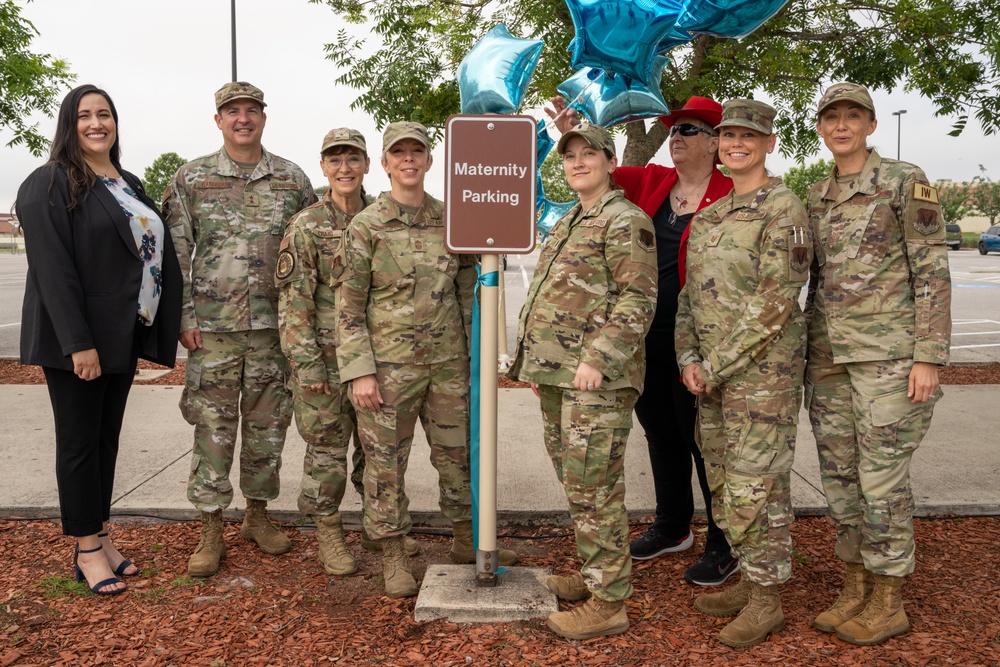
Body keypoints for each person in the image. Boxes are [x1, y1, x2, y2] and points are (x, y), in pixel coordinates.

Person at [547, 95, 737, 583]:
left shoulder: (733, 193)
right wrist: (572, 129)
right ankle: (673, 525)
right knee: (661, 432)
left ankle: (725, 540)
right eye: (674, 130)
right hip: (648, 336)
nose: (676, 137)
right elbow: (593, 170)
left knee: (705, 440)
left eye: (689, 130)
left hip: (703, 339)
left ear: (716, 142)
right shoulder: (653, 181)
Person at [335, 121, 517, 598]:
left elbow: (466, 289)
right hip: (388, 370)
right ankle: (393, 552)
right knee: (385, 465)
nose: (409, 159)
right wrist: (359, 372)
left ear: (430, 160)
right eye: (400, 153)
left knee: (459, 457)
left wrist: (478, 356)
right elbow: (349, 306)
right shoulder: (366, 225)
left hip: (448, 365)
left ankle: (465, 539)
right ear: (386, 162)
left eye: (417, 151)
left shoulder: (453, 219)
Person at [17, 84, 182, 595]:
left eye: (104, 114)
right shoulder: (48, 182)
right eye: (84, 115)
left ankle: (101, 536)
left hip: (121, 333)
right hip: (80, 339)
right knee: (79, 441)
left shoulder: (127, 180)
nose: (96, 123)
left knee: (105, 439)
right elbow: (53, 270)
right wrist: (77, 343)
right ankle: (87, 550)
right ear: (69, 124)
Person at [805, 83, 951, 646]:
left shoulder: (902, 180)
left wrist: (928, 357)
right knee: (840, 479)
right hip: (829, 359)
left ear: (869, 124)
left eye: (853, 116)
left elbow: (931, 271)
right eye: (832, 117)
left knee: (882, 478)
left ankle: (889, 597)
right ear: (821, 127)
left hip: (890, 358)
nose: (842, 126)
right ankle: (856, 583)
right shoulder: (817, 195)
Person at [510, 121, 657, 640]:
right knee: (579, 484)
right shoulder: (573, 218)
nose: (576, 161)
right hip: (560, 378)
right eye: (569, 154)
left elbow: (638, 299)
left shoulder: (624, 221)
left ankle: (610, 603)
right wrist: (534, 363)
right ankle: (597, 574)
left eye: (587, 154)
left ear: (610, 161)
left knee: (595, 488)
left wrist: (597, 358)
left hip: (595, 381)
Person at [163, 82, 315, 578]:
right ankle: (211, 527)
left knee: (269, 428)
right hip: (214, 329)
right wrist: (183, 317)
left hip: (275, 330)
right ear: (219, 121)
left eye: (252, 111)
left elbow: (311, 254)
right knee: (213, 428)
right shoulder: (192, 178)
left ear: (264, 119)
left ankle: (257, 515)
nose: (243, 119)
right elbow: (176, 256)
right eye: (233, 112)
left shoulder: (292, 180)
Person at [675, 100, 812, 648]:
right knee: (725, 483)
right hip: (711, 378)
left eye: (748, 137)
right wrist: (688, 358)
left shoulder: (784, 209)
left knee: (760, 486)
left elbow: (776, 302)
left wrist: (713, 364)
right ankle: (748, 577)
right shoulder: (710, 215)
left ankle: (766, 601)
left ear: (768, 143)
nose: (737, 144)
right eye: (728, 135)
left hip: (762, 378)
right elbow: (688, 298)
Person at [276, 127, 420, 576]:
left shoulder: (382, 217)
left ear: (367, 164)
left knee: (376, 452)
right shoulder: (306, 225)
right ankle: (329, 531)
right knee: (326, 449)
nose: (344, 169)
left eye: (352, 159)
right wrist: (306, 365)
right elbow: (293, 301)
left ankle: (380, 530)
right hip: (323, 359)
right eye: (335, 160)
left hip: (376, 358)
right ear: (322, 166)